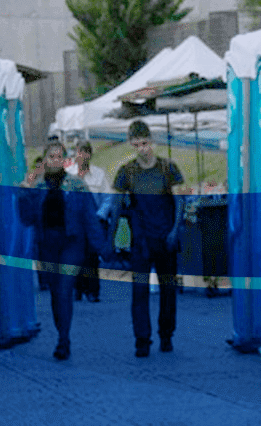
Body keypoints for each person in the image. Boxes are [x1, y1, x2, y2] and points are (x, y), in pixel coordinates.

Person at [103, 120, 188, 358]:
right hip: (140, 241)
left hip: (165, 237)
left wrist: (174, 230)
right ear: (131, 144)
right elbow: (117, 207)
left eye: (146, 143)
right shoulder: (126, 172)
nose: (143, 149)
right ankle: (142, 339)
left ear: (152, 141)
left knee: (167, 289)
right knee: (139, 291)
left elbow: (180, 201)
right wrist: (112, 239)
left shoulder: (167, 168)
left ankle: (166, 334)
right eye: (138, 144)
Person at [17, 141, 107, 360]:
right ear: (45, 159)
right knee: (56, 294)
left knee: (65, 290)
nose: (55, 160)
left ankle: (64, 339)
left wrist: (102, 247)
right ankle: (61, 331)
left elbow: (89, 218)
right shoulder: (37, 187)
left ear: (65, 160)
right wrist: (24, 194)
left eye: (59, 156)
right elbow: (26, 219)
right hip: (48, 246)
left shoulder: (76, 186)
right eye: (51, 156)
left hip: (71, 244)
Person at [65, 140, 108, 303]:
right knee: (76, 255)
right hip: (75, 222)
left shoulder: (99, 174)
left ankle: (92, 290)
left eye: (86, 152)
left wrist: (99, 215)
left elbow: (107, 198)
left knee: (91, 257)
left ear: (90, 155)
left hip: (93, 221)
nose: (82, 156)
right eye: (79, 152)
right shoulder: (68, 174)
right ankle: (77, 288)